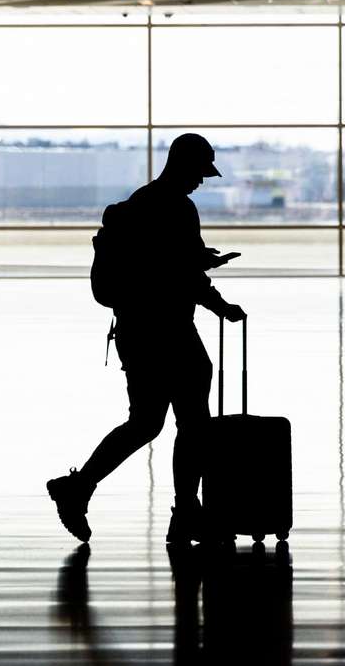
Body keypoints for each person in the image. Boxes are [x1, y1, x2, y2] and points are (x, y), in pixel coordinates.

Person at [47, 133, 246, 545]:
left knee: (146, 422)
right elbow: (182, 272)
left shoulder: (139, 202)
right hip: (168, 329)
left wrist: (200, 271)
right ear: (183, 165)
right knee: (192, 422)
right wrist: (219, 301)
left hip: (135, 331)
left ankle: (79, 488)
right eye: (200, 173)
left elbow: (165, 266)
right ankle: (186, 511)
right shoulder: (178, 208)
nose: (202, 182)